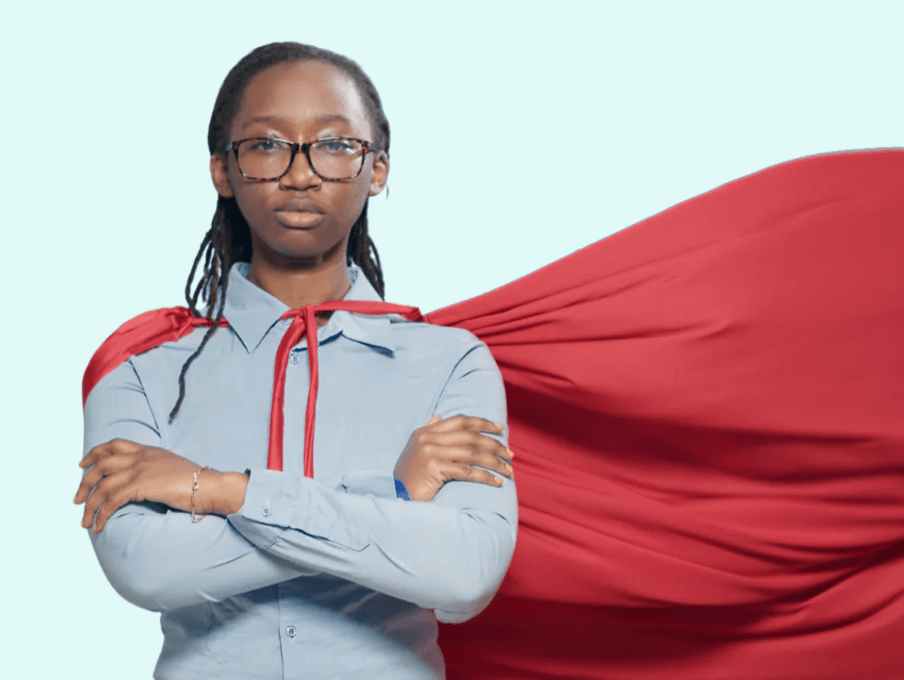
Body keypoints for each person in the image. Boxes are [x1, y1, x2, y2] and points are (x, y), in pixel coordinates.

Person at [76, 42, 517, 680]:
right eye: (266, 144)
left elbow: (465, 575)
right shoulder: (141, 370)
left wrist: (221, 491)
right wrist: (390, 500)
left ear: (379, 169)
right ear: (223, 171)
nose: (301, 172)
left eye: (336, 145)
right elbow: (146, 568)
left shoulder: (452, 363)